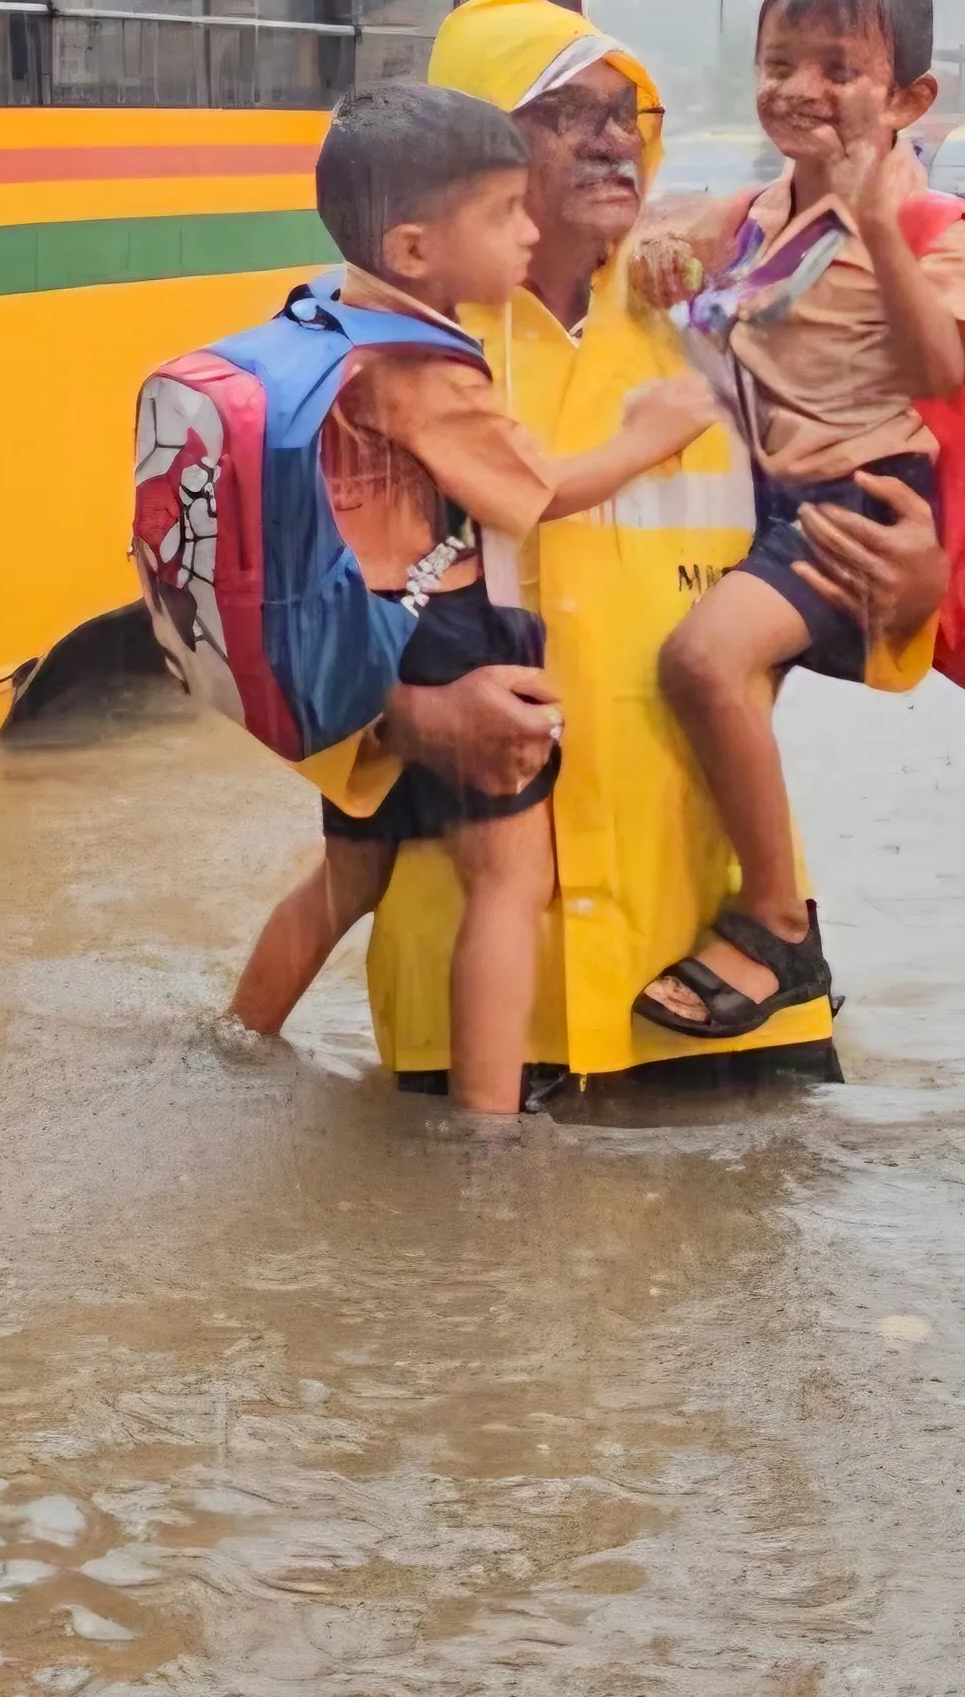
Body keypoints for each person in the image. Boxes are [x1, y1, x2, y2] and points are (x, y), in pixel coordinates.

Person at [233, 0, 948, 1090]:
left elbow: (874, 470)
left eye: (626, 111)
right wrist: (410, 719)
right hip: (477, 1015)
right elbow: (244, 618)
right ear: (471, 142)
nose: (613, 139)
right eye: (565, 111)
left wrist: (916, 585)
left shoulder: (715, 312)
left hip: (711, 983)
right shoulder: (368, 352)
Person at [225, 84, 719, 1120]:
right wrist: (648, 436)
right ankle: (486, 1128)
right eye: (504, 213)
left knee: (347, 878)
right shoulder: (428, 371)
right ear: (413, 249)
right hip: (446, 634)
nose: (529, 228)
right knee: (508, 879)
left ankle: (236, 1035)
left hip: (368, 627)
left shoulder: (330, 316)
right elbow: (533, 496)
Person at [630, 0, 965, 1042]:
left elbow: (939, 371)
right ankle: (719, 918)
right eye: (776, 61)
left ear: (908, 99)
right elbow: (648, 251)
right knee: (715, 708)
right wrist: (655, 256)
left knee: (697, 664)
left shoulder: (935, 228)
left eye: (836, 67)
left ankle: (779, 926)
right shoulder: (746, 215)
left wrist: (875, 223)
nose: (797, 88)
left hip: (859, 499)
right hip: (762, 491)